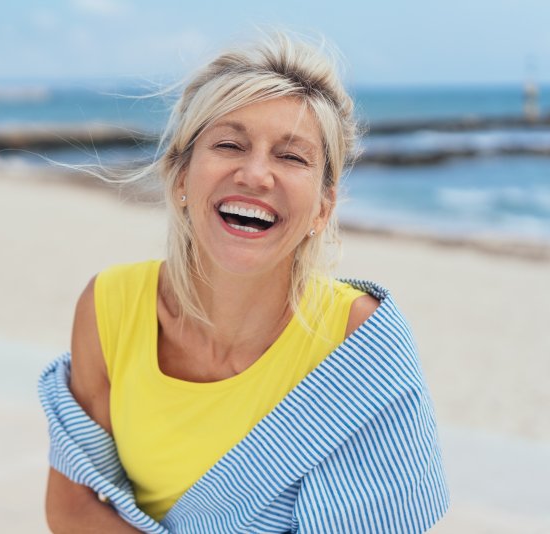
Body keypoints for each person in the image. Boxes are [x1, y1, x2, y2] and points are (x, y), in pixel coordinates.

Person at [39, 32, 449, 533]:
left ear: (324, 205)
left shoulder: (357, 338)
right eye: (230, 144)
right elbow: (72, 507)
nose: (255, 175)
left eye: (292, 157)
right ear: (181, 175)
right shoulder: (110, 305)